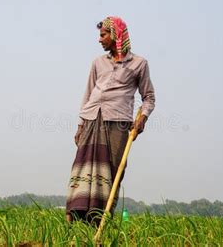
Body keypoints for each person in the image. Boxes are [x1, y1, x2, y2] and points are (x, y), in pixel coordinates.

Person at [65, 16, 156, 225]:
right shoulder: (98, 63)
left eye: (103, 35)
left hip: (118, 122)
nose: (99, 40)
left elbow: (149, 97)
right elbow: (88, 93)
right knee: (82, 171)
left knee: (112, 174)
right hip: (91, 119)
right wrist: (80, 125)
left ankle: (100, 222)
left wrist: (142, 117)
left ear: (116, 36)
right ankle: (75, 223)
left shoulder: (139, 64)